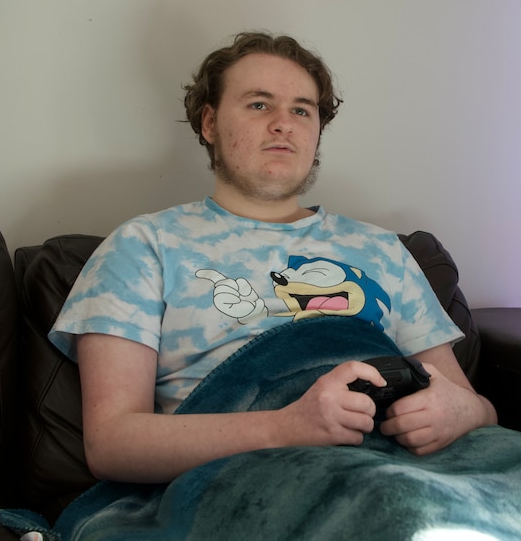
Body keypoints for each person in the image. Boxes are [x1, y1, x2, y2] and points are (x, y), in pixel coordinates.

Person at [50, 32, 497, 484]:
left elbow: (477, 408)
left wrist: (457, 410)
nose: (284, 123)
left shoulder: (385, 250)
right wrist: (286, 427)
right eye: (259, 104)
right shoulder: (144, 245)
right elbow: (111, 443)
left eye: (302, 110)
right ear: (209, 123)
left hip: (405, 465)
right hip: (256, 479)